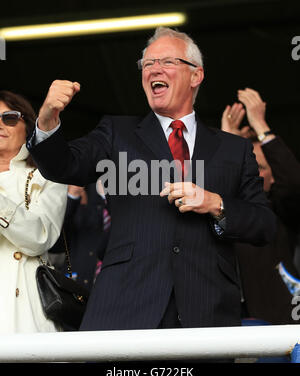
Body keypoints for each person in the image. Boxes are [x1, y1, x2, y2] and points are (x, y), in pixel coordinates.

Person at [27, 27, 276, 333]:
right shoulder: (116, 133)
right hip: (125, 308)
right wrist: (48, 120)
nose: (154, 69)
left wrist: (216, 203)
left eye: (167, 62)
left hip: (206, 312)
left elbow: (264, 225)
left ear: (196, 76)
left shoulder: (233, 149)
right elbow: (62, 166)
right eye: (147, 64)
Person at [221, 87, 300, 324]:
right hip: (226, 328)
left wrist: (261, 127)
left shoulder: (278, 209)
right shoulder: (216, 204)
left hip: (277, 327)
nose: (252, 173)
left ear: (274, 178)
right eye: (248, 166)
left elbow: (294, 183)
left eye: (261, 168)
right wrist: (228, 146)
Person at [0, 90, 67, 333]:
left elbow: (40, 237)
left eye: (8, 118)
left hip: (27, 308)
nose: (0, 125)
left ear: (27, 125)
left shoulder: (48, 175)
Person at [49, 182, 110, 291]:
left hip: (110, 282)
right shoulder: (79, 187)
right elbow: (55, 245)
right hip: (76, 286)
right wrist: (72, 198)